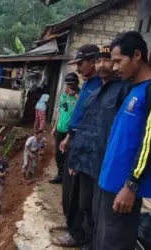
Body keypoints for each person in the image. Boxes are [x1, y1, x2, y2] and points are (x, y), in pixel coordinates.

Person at [59, 45, 130, 250]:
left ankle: (83, 238)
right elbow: (87, 127)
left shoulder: (121, 91)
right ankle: (79, 235)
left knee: (93, 208)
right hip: (85, 155)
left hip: (102, 160)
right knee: (82, 202)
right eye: (99, 61)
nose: (102, 65)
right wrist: (76, 157)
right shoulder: (95, 91)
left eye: (108, 61)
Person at [95, 31, 151, 250]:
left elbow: (148, 143)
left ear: (137, 55)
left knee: (115, 242)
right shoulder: (133, 89)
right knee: (103, 239)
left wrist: (131, 184)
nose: (114, 67)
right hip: (108, 183)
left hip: (124, 190)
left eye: (118, 61)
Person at [51, 44, 102, 248]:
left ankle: (77, 233)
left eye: (81, 63)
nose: (78, 68)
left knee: (80, 194)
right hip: (74, 140)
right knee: (70, 191)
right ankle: (72, 224)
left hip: (83, 145)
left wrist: (72, 137)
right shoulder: (89, 84)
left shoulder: (99, 86)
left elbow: (88, 120)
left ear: (93, 62)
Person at [49, 72, 80, 184]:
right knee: (58, 155)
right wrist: (54, 126)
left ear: (76, 84)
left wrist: (76, 96)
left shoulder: (79, 97)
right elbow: (60, 111)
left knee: (68, 155)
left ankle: (68, 179)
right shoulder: (63, 95)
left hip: (70, 132)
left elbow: (83, 109)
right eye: (68, 85)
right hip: (60, 129)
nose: (69, 87)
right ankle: (60, 175)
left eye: (72, 85)